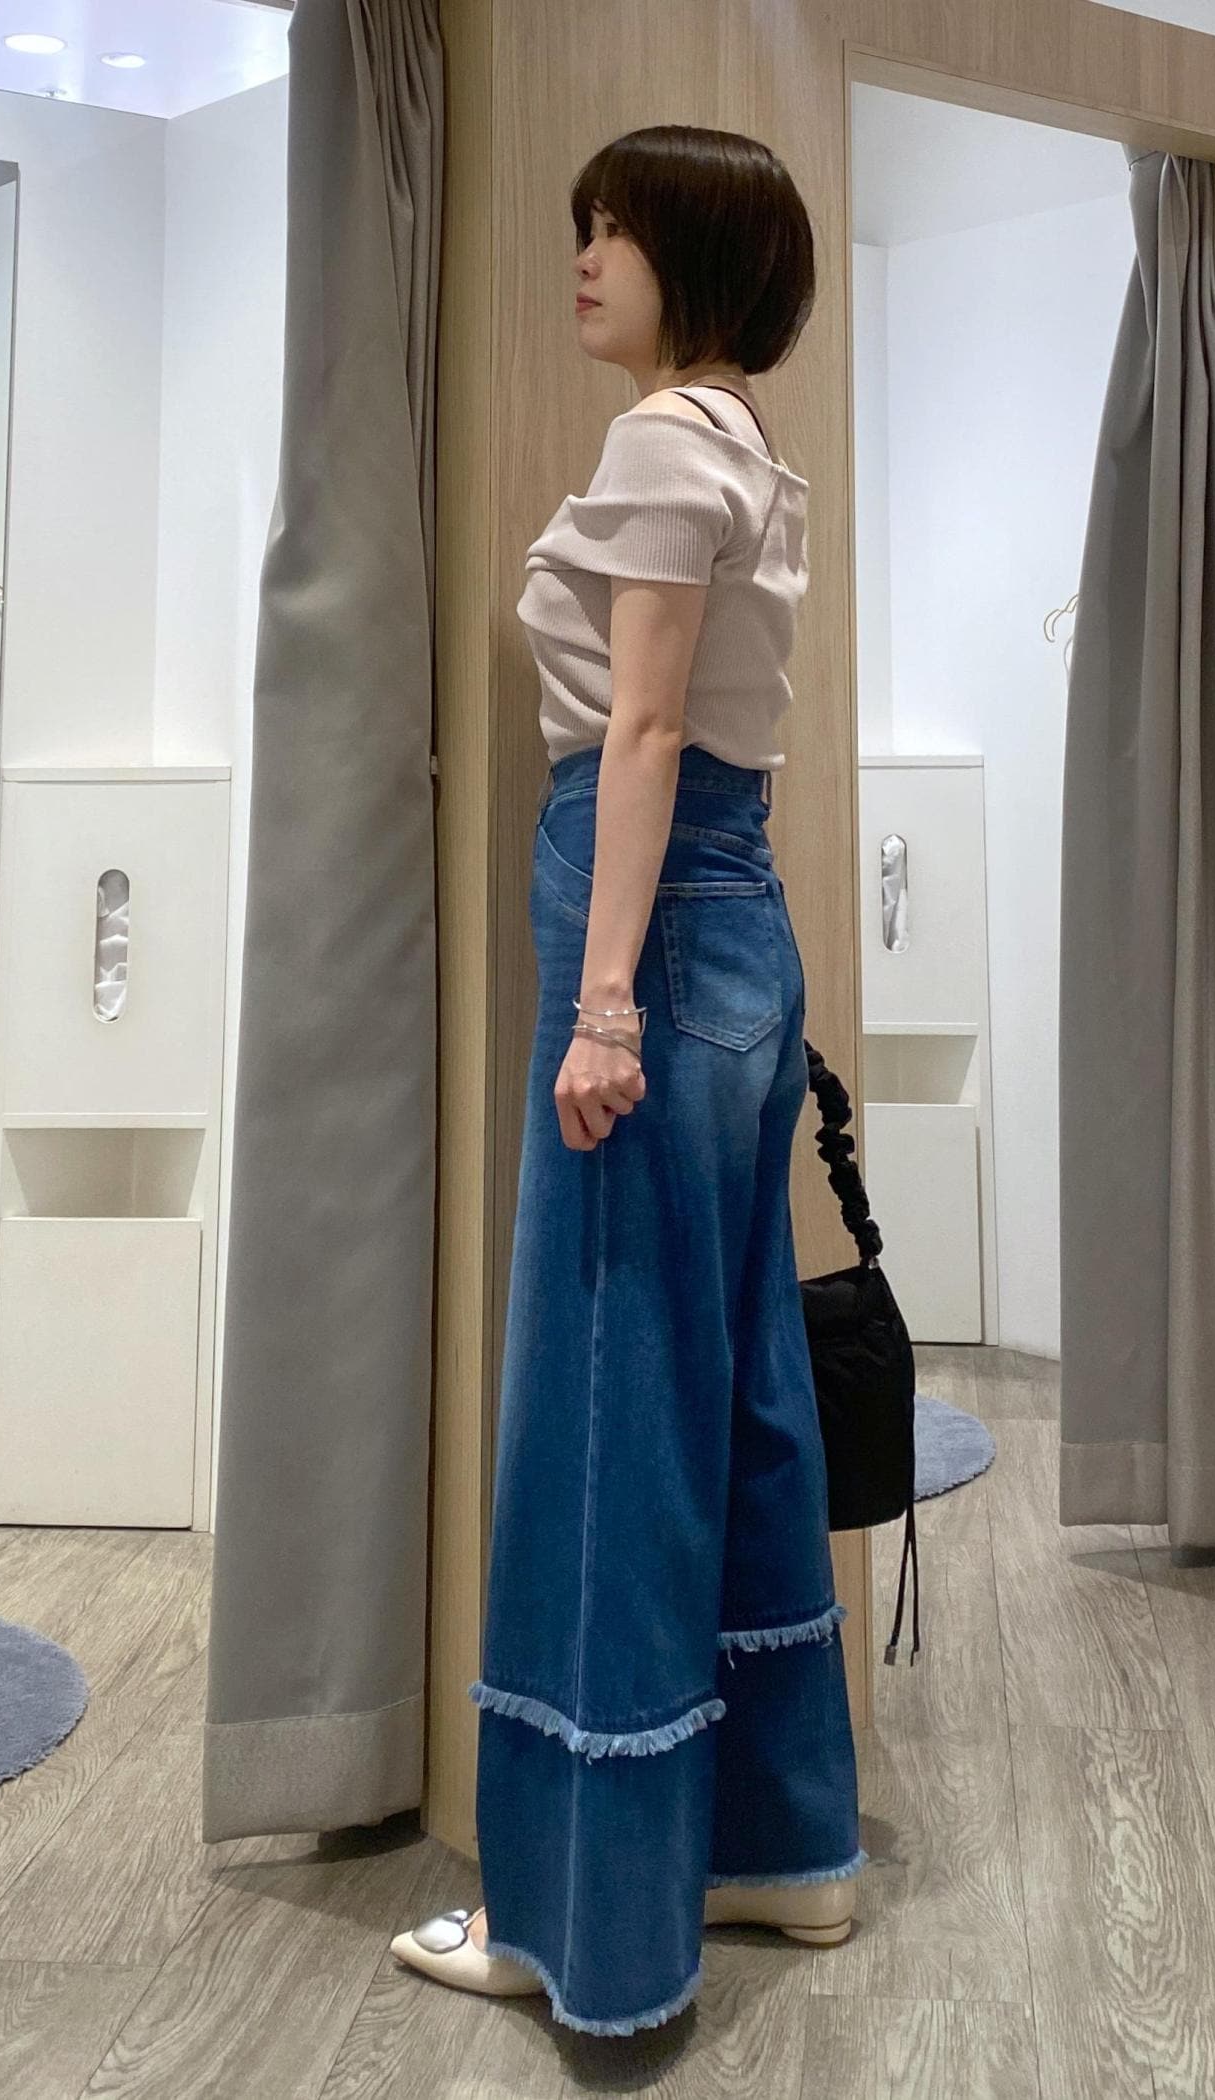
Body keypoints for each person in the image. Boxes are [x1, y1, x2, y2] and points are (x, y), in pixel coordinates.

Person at [391, 123, 864, 2036]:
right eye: (582, 225)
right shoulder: (752, 447)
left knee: (604, 1408)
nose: (584, 257)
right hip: (735, 924)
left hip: (649, 925)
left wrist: (603, 1007)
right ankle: (784, 1845)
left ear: (701, 257)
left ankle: (583, 1923)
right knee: (738, 1381)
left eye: (617, 230)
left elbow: (646, 723)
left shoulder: (665, 439)